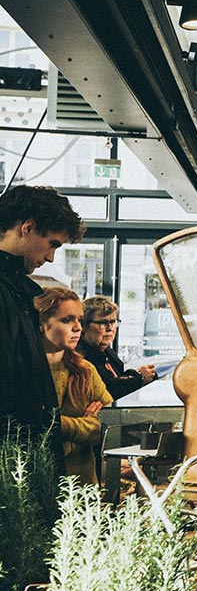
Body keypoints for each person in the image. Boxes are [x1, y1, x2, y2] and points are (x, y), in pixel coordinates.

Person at [0, 185, 85, 472]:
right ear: (28, 227)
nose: (50, 258)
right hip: (14, 462)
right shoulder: (6, 290)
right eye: (52, 244)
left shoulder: (16, 288)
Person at [36, 287, 113, 485]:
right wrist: (82, 427)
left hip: (81, 484)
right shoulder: (23, 371)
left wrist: (60, 425)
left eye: (79, 319)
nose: (77, 327)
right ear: (42, 323)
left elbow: (107, 425)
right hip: (36, 483)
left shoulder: (85, 370)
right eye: (67, 320)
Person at [78, 295, 157, 401]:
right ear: (84, 326)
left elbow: (117, 381)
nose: (110, 328)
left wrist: (142, 376)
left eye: (113, 322)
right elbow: (106, 390)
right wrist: (138, 377)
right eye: (103, 323)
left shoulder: (107, 352)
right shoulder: (79, 356)